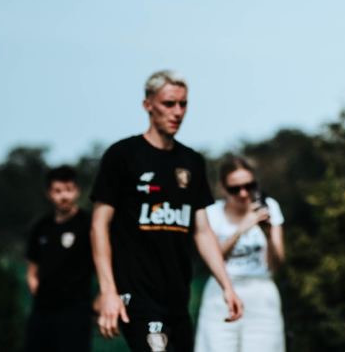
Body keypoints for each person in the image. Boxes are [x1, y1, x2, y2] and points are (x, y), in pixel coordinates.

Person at [91, 70, 243, 351]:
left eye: (183, 104)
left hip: (177, 296)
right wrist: (108, 290)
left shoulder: (192, 161)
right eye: (169, 104)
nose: (177, 112)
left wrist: (227, 285)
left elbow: (202, 231)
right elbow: (99, 225)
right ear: (148, 105)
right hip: (136, 293)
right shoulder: (123, 155)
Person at [195, 156, 286, 352]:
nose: (243, 193)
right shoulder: (212, 213)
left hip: (261, 294)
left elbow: (276, 265)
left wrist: (268, 233)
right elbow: (211, 260)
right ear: (223, 188)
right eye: (235, 189)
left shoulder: (269, 206)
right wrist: (240, 230)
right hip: (221, 293)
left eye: (249, 186)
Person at [26, 165, 94, 352]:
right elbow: (32, 269)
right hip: (43, 310)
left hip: (76, 310)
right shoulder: (40, 226)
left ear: (77, 191)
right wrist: (37, 288)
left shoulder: (88, 224)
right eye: (58, 191)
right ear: (49, 193)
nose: (64, 196)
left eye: (68, 190)